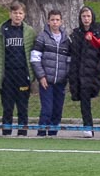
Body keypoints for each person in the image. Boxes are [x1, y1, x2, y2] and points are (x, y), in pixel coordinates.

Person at [0, 0, 36, 136]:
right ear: (10, 14)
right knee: (7, 107)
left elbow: (34, 52)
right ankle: (6, 133)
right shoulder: (2, 30)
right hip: (7, 75)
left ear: (24, 15)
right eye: (15, 13)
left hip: (22, 74)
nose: (17, 16)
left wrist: (31, 74)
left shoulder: (28, 32)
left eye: (20, 13)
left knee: (23, 106)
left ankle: (22, 133)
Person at [30, 9, 70, 137]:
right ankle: (41, 133)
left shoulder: (66, 40)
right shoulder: (42, 37)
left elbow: (69, 60)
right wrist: (41, 76)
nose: (55, 22)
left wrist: (66, 77)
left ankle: (53, 134)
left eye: (57, 20)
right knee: (47, 109)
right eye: (52, 20)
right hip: (46, 81)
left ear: (61, 21)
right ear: (48, 21)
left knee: (57, 110)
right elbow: (35, 58)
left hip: (60, 82)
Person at [68, 5, 100, 138]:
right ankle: (88, 126)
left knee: (94, 98)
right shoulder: (76, 34)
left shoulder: (99, 32)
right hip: (80, 72)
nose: (86, 19)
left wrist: (99, 68)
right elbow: (72, 54)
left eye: (88, 16)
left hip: (93, 72)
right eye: (83, 16)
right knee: (84, 100)